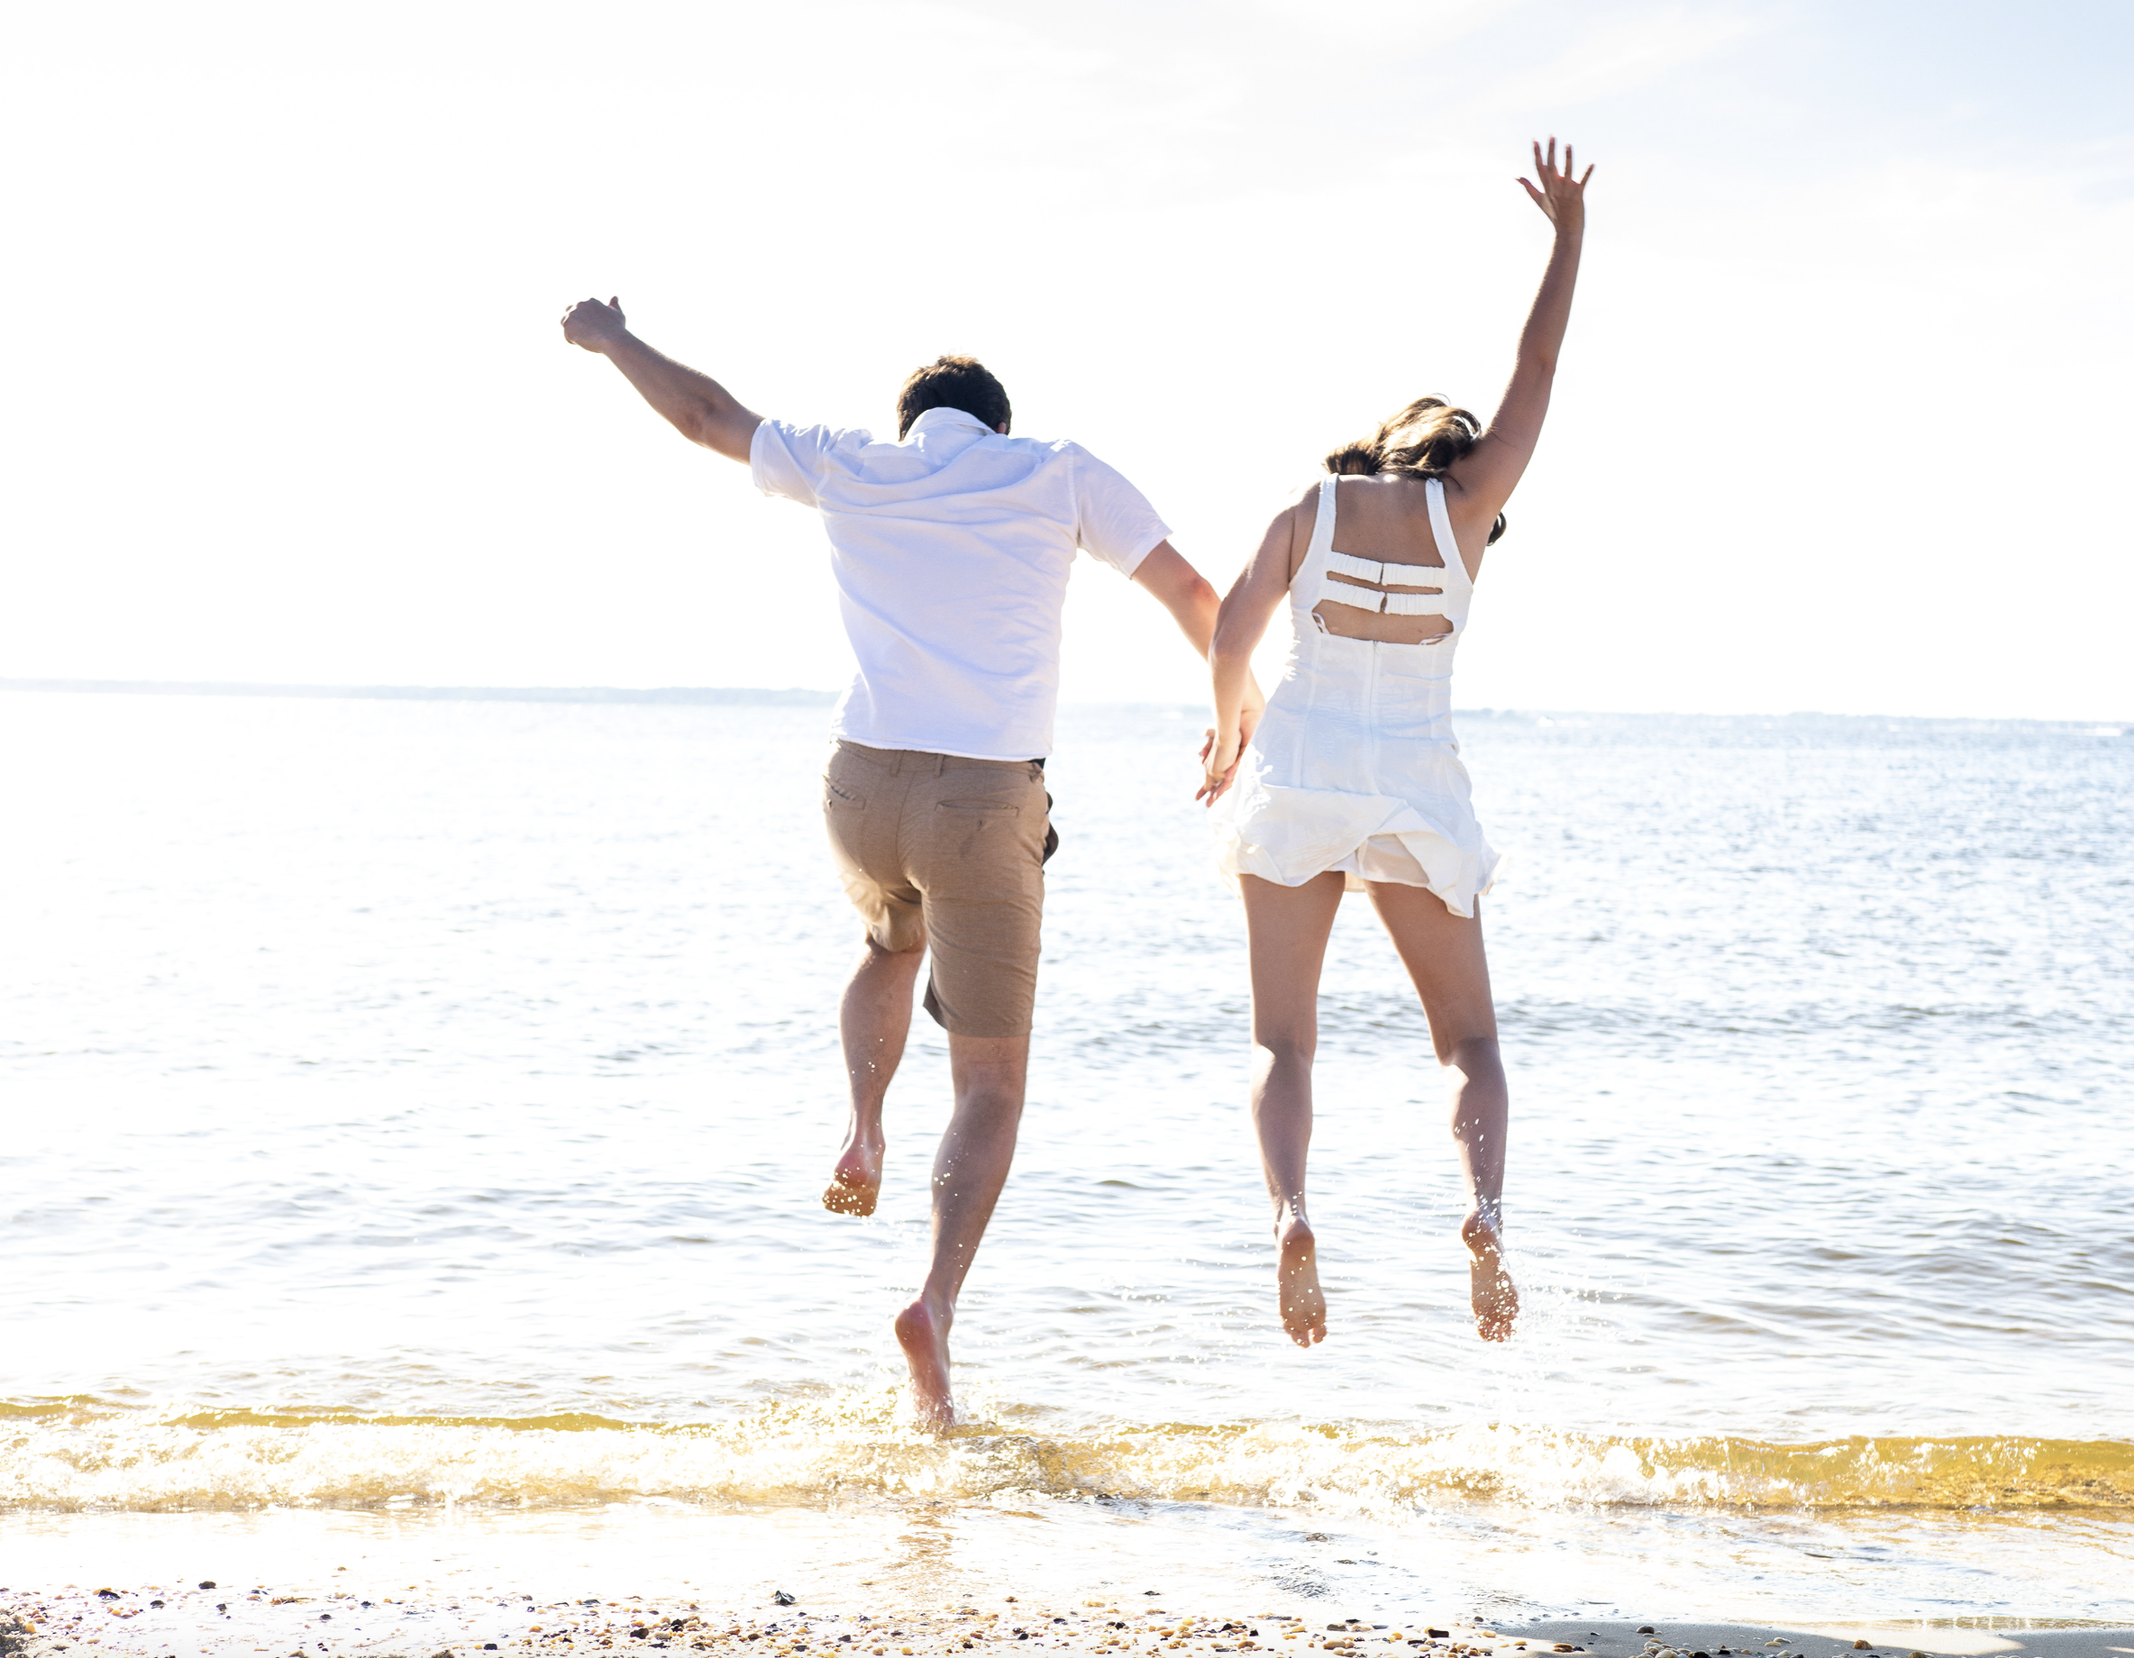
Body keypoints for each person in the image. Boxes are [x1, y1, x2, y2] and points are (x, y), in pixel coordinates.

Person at [558, 308, 1235, 1424]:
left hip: (860, 787)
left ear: (911, 422)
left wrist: (615, 341)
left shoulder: (854, 463)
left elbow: (703, 416)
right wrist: (1233, 710)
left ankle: (864, 1125)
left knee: (887, 936)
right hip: (982, 796)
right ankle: (933, 1303)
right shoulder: (1056, 470)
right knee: (990, 1083)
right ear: (998, 423)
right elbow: (1195, 598)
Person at [1196, 139, 1592, 1349]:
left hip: (1302, 763)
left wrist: (1231, 729)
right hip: (1417, 780)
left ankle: (1291, 1215)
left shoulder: (1309, 507)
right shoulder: (1470, 514)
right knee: (1466, 1040)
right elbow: (1536, 361)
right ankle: (1481, 1211)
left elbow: (1227, 626)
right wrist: (1568, 234)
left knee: (1281, 1039)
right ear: (1456, 458)